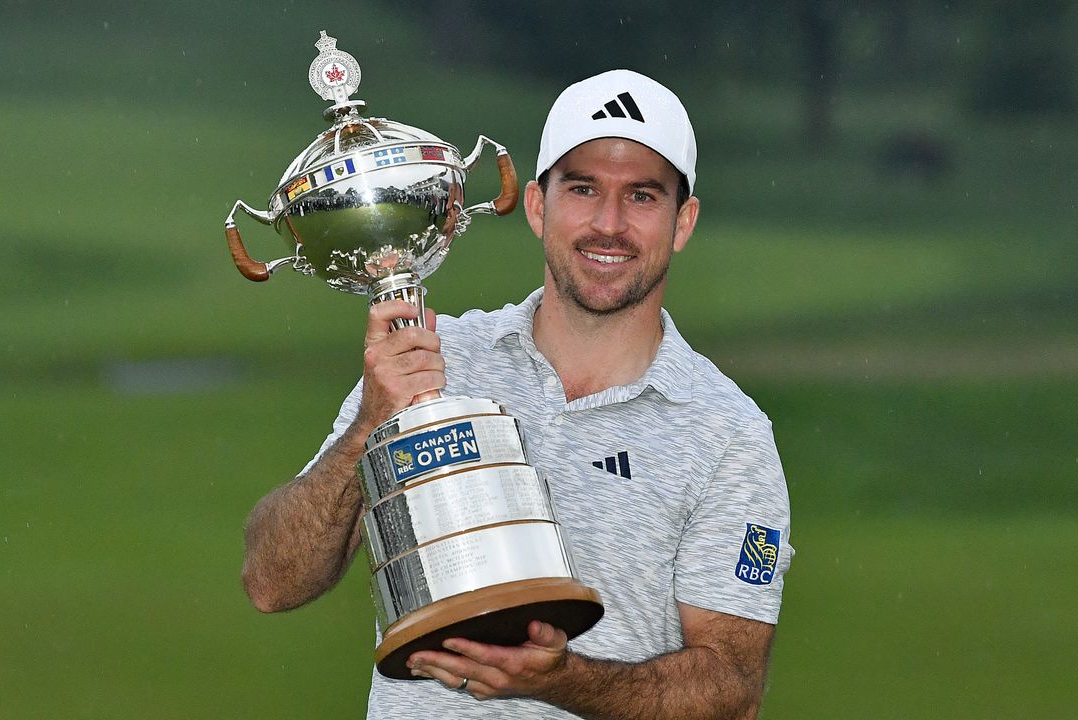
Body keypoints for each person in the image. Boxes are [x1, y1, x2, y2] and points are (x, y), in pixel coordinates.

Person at [241, 69, 793, 719]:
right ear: (536, 205)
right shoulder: (433, 355)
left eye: (642, 196)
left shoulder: (727, 433)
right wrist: (369, 426)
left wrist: (560, 680)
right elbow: (272, 581)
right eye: (583, 189)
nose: (608, 224)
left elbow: (733, 693)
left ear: (684, 221)